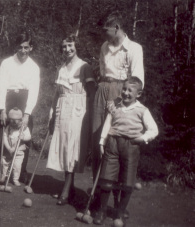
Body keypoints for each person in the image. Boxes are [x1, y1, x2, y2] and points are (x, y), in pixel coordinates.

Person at [91, 11, 145, 214]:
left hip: (121, 94)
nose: (104, 36)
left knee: (117, 143)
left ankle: (119, 202)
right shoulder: (104, 46)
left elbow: (138, 81)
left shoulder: (134, 49)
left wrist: (121, 100)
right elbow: (102, 71)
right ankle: (99, 196)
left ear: (116, 28)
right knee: (99, 143)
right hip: (102, 91)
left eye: (107, 31)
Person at [93, 77, 158, 225]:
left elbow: (154, 130)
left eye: (130, 90)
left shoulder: (142, 110)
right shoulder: (115, 106)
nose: (126, 93)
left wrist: (142, 139)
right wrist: (102, 141)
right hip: (113, 143)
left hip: (131, 147)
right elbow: (108, 123)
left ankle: (119, 213)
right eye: (124, 89)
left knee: (127, 183)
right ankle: (102, 211)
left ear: (138, 94)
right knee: (107, 180)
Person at [46, 34, 96, 205]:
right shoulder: (61, 68)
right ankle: (71, 187)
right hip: (62, 110)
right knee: (64, 147)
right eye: (64, 47)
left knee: (72, 149)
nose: (67, 49)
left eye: (70, 46)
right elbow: (56, 95)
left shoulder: (85, 67)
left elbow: (91, 93)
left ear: (76, 46)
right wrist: (52, 115)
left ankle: (66, 191)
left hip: (77, 112)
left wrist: (91, 116)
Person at [0, 32, 40, 184]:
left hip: (24, 101)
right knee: (0, 133)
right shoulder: (6, 63)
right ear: (16, 47)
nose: (23, 51)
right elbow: (1, 86)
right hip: (8, 98)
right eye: (20, 47)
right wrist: (2, 109)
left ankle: (19, 172)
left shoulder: (34, 67)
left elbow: (34, 91)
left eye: (26, 47)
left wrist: (27, 113)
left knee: (23, 136)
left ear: (31, 48)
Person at [1, 108, 31, 186]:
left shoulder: (24, 128)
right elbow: (4, 138)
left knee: (17, 166)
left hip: (19, 152)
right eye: (11, 120)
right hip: (9, 150)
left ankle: (15, 179)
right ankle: (3, 176)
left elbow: (29, 137)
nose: (13, 122)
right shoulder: (8, 127)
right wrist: (8, 148)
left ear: (21, 120)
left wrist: (23, 137)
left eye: (16, 120)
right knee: (4, 163)